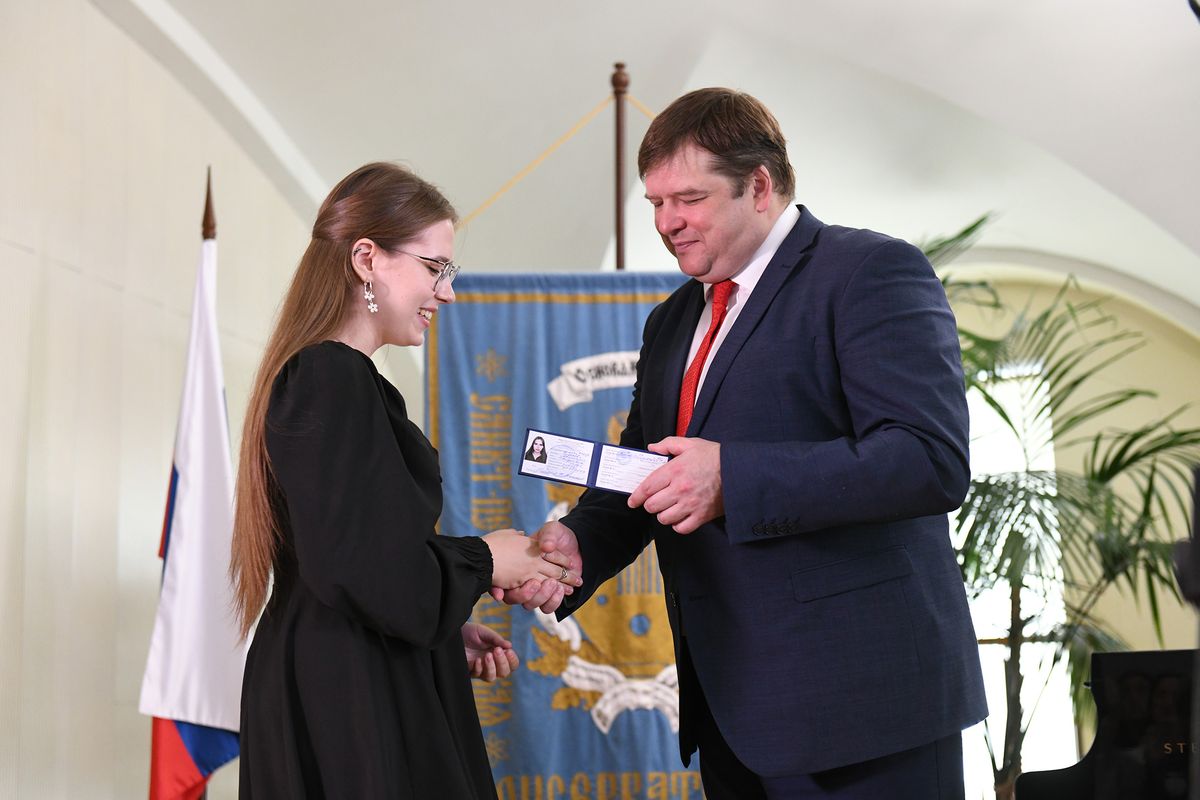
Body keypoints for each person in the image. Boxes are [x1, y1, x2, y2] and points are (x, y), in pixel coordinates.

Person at [497, 89, 986, 798]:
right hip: (730, 709)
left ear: (759, 186)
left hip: (865, 714)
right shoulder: (672, 320)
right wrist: (581, 543)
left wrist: (734, 479)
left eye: (688, 199)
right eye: (655, 202)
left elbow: (927, 459)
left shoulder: (869, 270)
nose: (667, 222)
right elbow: (648, 471)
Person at [230, 162, 580, 799]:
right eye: (435, 267)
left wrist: (438, 634)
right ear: (367, 258)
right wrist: (485, 559)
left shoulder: (334, 378)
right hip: (345, 699)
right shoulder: (331, 376)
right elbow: (360, 569)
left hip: (344, 672)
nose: (447, 292)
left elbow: (361, 561)